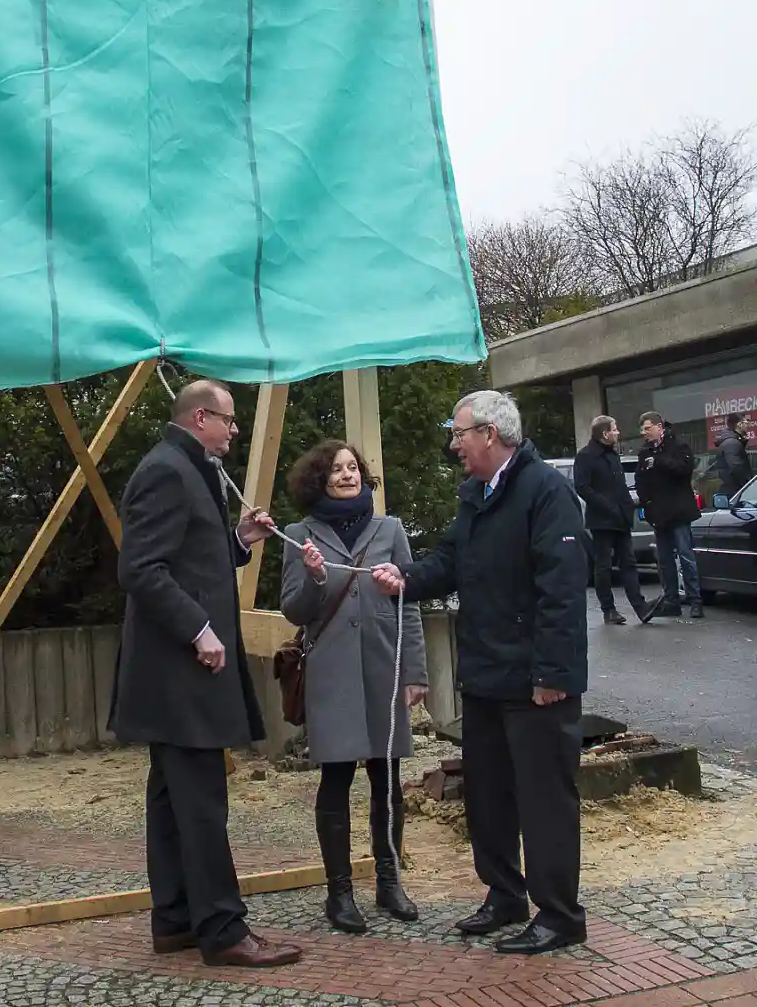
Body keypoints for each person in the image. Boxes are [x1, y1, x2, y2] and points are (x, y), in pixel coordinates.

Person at [374, 390, 588, 956]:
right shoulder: (476, 495)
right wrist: (406, 578)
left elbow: (562, 590)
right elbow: (450, 561)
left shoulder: (546, 491)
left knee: (544, 801)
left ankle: (560, 915)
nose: (454, 444)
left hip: (536, 683)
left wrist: (554, 673)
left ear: (491, 434)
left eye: (460, 433)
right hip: (487, 677)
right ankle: (505, 894)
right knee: (488, 796)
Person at [110, 379, 301, 968]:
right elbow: (141, 568)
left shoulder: (187, 466)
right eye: (229, 420)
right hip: (181, 671)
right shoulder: (168, 469)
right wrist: (199, 629)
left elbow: (190, 553)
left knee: (171, 800)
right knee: (200, 804)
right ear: (200, 418)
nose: (235, 430)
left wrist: (238, 541)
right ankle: (222, 930)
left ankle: (173, 920)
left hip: (175, 675)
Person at [280, 440, 429, 935]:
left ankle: (390, 882)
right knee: (337, 780)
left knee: (387, 779)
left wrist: (415, 673)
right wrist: (317, 579)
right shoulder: (301, 535)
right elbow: (295, 610)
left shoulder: (390, 529)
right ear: (318, 480)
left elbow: (409, 602)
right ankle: (339, 892)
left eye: (353, 468)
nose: (347, 476)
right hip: (333, 674)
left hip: (384, 670)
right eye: (336, 470)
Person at [573, 416, 663, 626]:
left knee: (629, 563)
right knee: (604, 565)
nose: (617, 432)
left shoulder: (613, 455)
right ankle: (609, 610)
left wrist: (628, 506)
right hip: (601, 519)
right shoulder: (586, 456)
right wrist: (607, 506)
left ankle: (641, 608)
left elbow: (620, 486)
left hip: (621, 517)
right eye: (614, 429)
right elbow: (582, 487)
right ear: (604, 434)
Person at [635, 412, 703, 620]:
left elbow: (684, 469)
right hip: (658, 512)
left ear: (659, 427)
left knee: (686, 556)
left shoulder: (678, 446)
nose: (643, 433)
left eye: (647, 428)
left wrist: (659, 461)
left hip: (679, 511)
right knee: (664, 560)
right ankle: (672, 600)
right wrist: (644, 498)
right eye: (643, 429)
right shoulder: (644, 451)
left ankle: (695, 600)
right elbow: (640, 478)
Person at [712, 413, 753, 498]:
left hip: (733, 491)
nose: (747, 426)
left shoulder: (732, 442)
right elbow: (736, 468)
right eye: (746, 423)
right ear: (739, 424)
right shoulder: (732, 443)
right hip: (735, 493)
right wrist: (748, 487)